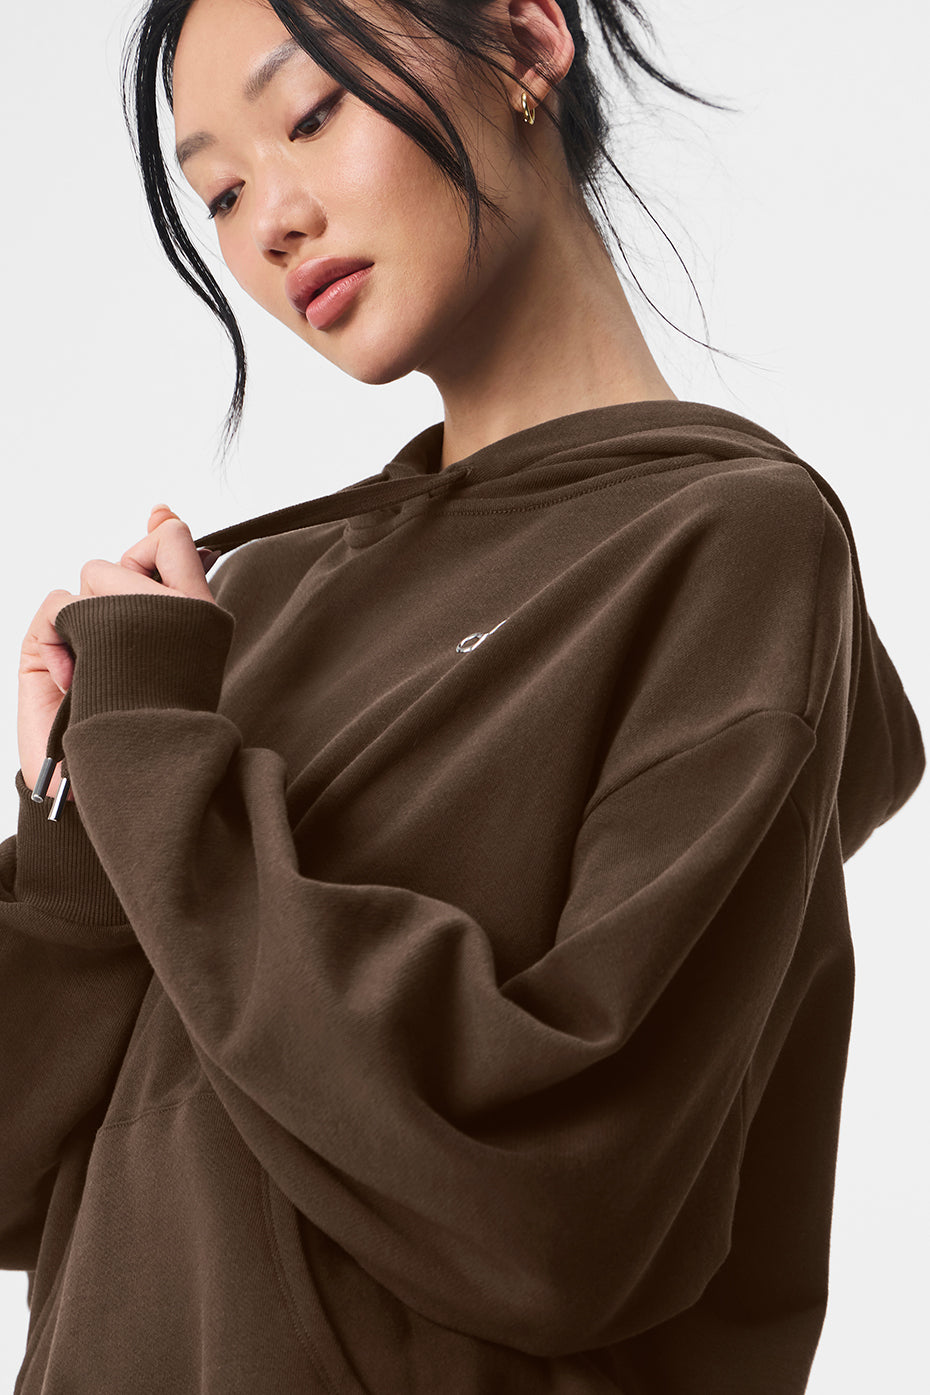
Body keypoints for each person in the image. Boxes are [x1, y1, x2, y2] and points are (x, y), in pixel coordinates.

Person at [1, 0, 924, 1391]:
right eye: (223, 193)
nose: (274, 222)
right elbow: (28, 1182)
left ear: (523, 43)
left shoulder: (725, 545)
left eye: (312, 114)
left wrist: (162, 774)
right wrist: (84, 814)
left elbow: (556, 1214)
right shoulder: (246, 613)